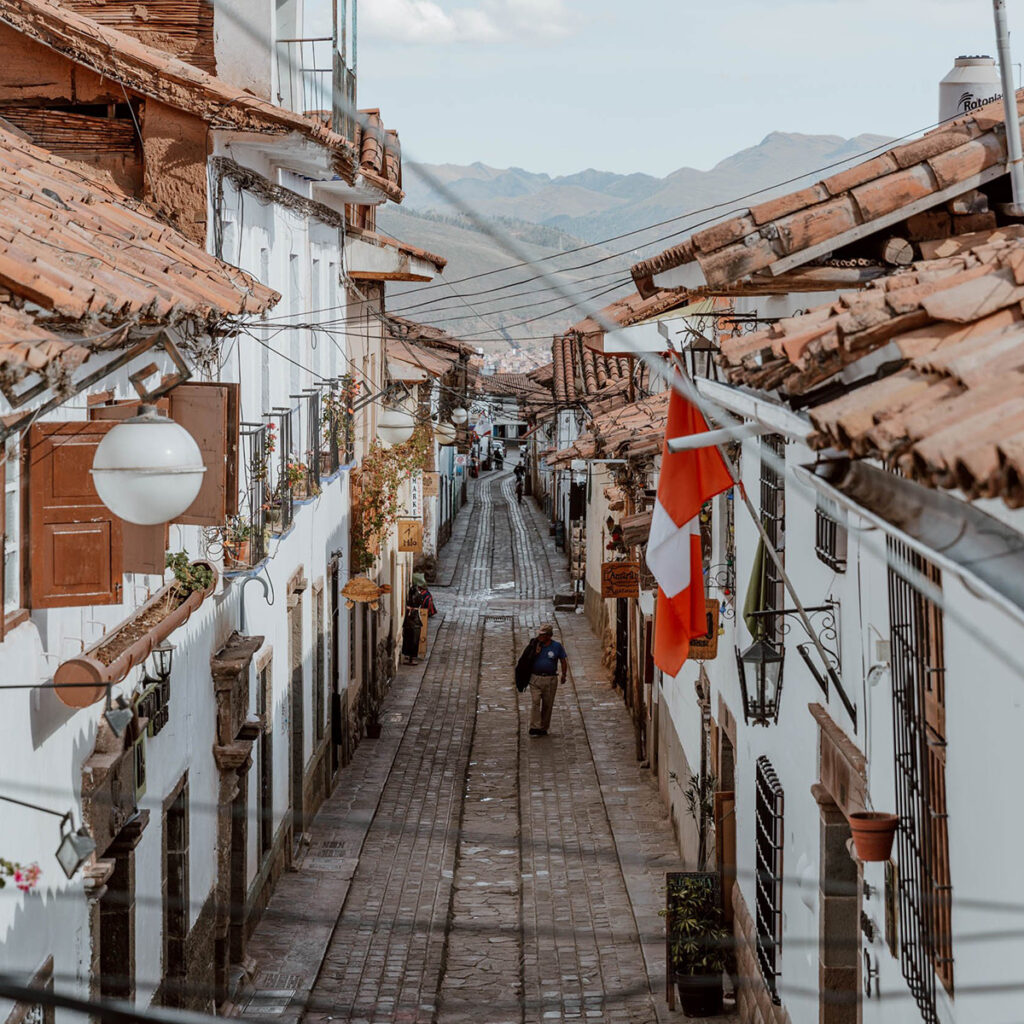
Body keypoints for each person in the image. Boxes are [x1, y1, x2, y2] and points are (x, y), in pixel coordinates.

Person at [526, 623, 567, 736]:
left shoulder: (557, 646)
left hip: (550, 679)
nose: (540, 637)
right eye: (540, 634)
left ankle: (543, 727)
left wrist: (564, 675)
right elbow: (526, 659)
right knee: (535, 701)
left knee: (547, 704)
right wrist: (535, 652)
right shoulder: (535, 644)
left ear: (549, 636)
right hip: (535, 679)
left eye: (543, 635)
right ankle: (535, 727)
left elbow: (563, 660)